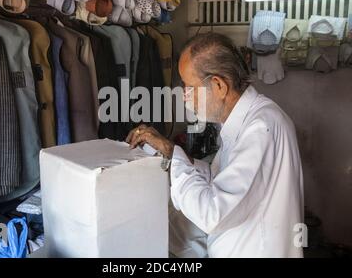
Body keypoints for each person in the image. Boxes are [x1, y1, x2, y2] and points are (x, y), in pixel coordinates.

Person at [126, 33, 304, 258]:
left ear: (219, 85)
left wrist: (179, 166)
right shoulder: (245, 120)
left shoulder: (261, 127)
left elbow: (212, 213)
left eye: (189, 87)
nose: (185, 97)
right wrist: (172, 151)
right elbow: (222, 179)